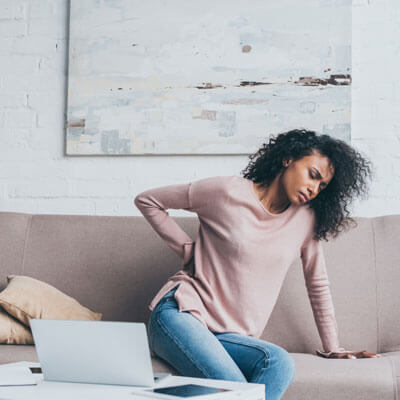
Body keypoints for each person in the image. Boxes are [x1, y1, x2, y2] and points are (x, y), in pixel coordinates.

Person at [134, 129, 381, 400]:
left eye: (322, 186)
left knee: (279, 363)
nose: (314, 188)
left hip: (229, 337)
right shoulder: (225, 192)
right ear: (288, 159)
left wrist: (332, 346)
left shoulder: (306, 220)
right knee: (233, 386)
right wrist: (187, 249)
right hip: (180, 313)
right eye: (313, 175)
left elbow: (317, 283)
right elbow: (148, 200)